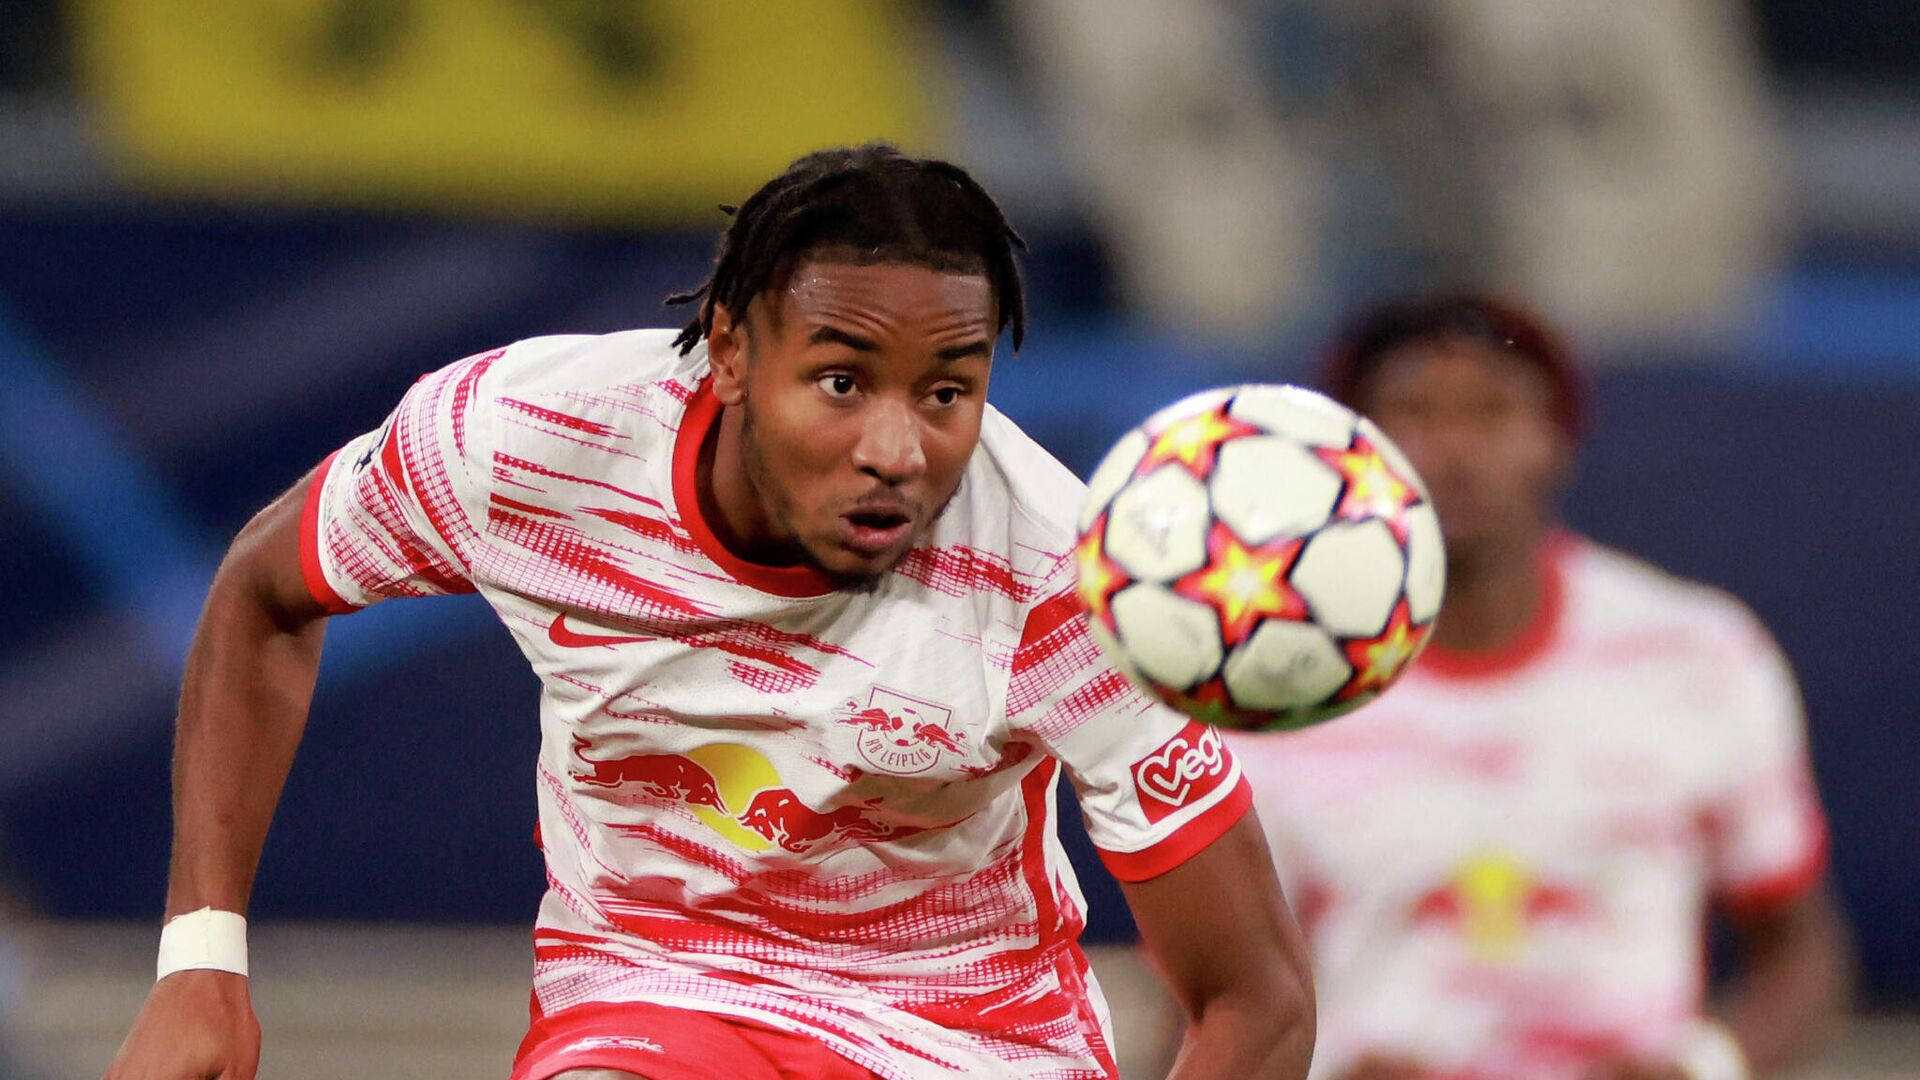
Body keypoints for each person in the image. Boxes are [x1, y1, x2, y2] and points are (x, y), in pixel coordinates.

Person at [103, 144, 1313, 1080]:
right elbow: (265, 592)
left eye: (948, 391)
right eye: (841, 382)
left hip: (962, 1031)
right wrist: (200, 960)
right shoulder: (527, 443)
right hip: (654, 988)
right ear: (730, 353)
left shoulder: (1068, 580)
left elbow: (1255, 997)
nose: (897, 448)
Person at [1227, 295, 1850, 1080]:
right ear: (1350, 455)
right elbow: (1213, 988)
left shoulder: (1698, 655)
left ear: (1556, 440)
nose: (1454, 450)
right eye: (1413, 413)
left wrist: (1702, 1065)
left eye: (1493, 413)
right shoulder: (1273, 692)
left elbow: (1799, 952)